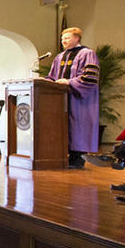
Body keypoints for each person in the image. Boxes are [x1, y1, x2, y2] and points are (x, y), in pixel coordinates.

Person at [46, 27, 100, 169]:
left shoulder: (87, 54)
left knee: (78, 127)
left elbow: (90, 77)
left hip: (79, 100)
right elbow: (52, 77)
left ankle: (78, 159)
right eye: (62, 38)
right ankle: (65, 156)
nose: (64, 41)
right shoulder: (59, 57)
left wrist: (70, 82)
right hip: (61, 100)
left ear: (77, 38)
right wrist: (46, 81)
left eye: (67, 38)